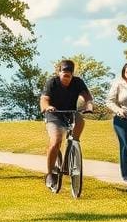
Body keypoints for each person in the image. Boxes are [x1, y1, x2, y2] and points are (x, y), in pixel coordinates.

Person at [39, 60, 94, 191]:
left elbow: (87, 97)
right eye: (64, 73)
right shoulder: (52, 82)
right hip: (53, 114)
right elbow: (44, 100)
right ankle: (50, 173)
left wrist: (89, 105)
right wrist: (48, 107)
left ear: (72, 74)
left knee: (80, 121)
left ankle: (73, 147)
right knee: (56, 140)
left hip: (70, 113)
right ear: (59, 73)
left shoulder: (78, 82)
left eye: (69, 74)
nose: (66, 76)